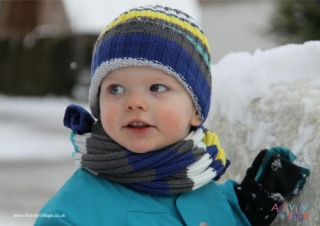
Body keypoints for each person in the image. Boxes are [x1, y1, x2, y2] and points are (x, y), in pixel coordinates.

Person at [35, 5, 309, 226]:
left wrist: (249, 205)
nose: (134, 102)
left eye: (157, 87)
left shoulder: (200, 183)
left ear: (196, 111)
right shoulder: (73, 212)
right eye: (115, 89)